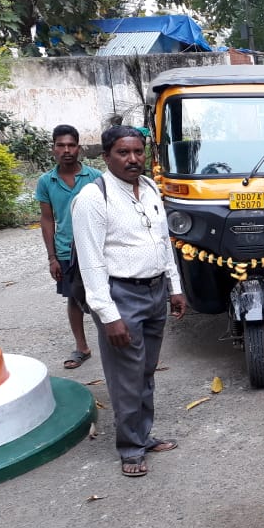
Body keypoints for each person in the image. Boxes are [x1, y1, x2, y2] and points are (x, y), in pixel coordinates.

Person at [71, 127, 187, 477]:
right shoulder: (93, 197)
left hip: (154, 291)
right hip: (120, 295)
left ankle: (143, 434)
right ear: (106, 157)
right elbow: (91, 263)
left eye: (138, 151)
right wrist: (108, 316)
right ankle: (131, 449)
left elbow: (163, 241)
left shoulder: (150, 187)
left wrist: (175, 286)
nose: (133, 159)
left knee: (146, 370)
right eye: (123, 152)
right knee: (126, 375)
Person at [34, 125, 102, 369]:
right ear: (53, 149)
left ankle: (117, 343)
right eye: (61, 145)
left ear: (79, 148)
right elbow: (47, 219)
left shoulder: (95, 178)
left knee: (108, 295)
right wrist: (52, 257)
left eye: (71, 145)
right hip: (65, 251)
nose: (66, 150)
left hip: (97, 248)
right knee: (74, 297)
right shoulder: (46, 181)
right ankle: (82, 347)